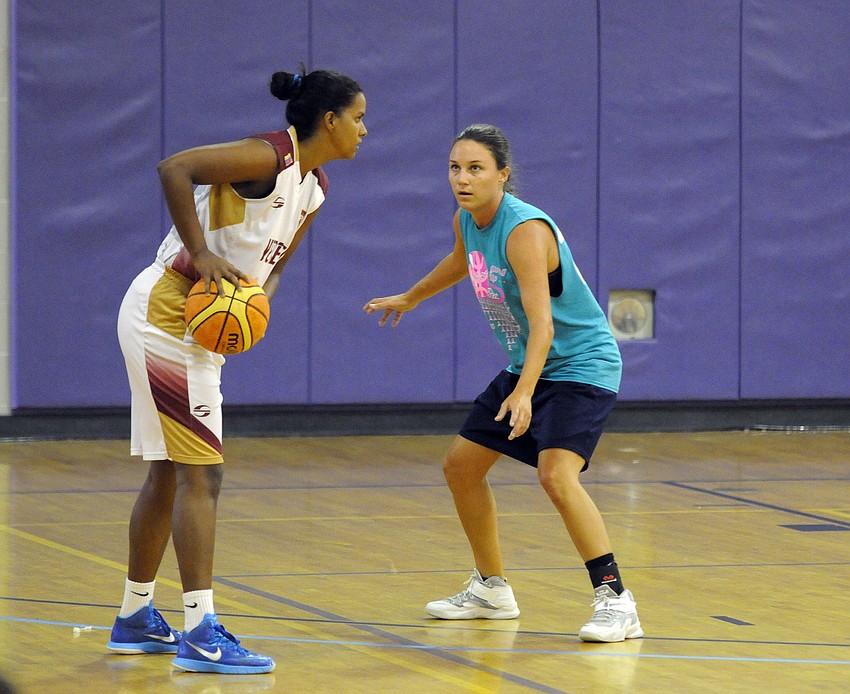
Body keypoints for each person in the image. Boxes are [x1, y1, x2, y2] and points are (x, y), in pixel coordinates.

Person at [108, 68, 367, 673]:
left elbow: (274, 268)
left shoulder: (315, 187)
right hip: (168, 312)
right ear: (328, 121)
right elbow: (175, 168)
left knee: (170, 474)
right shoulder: (268, 157)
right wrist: (200, 253)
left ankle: (136, 617)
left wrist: (255, 302)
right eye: (358, 117)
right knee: (204, 475)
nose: (364, 129)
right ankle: (200, 631)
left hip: (194, 326)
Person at [364, 124, 642, 643]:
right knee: (461, 468)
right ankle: (491, 589)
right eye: (454, 168)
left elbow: (545, 326)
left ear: (503, 175)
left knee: (556, 475)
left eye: (475, 169)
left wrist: (523, 392)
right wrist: (411, 296)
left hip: (580, 365)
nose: (462, 179)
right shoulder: (468, 220)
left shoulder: (524, 232)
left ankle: (616, 600)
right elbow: (459, 261)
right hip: (530, 365)